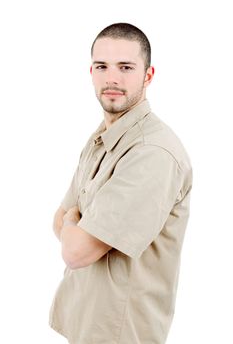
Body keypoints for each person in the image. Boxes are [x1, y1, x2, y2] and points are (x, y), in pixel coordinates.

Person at [49, 22, 193, 344]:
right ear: (91, 72)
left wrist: (74, 223)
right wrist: (73, 226)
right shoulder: (102, 137)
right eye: (102, 66)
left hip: (121, 335)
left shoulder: (152, 152)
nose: (111, 78)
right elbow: (57, 219)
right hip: (85, 324)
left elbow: (75, 250)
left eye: (125, 67)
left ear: (148, 75)